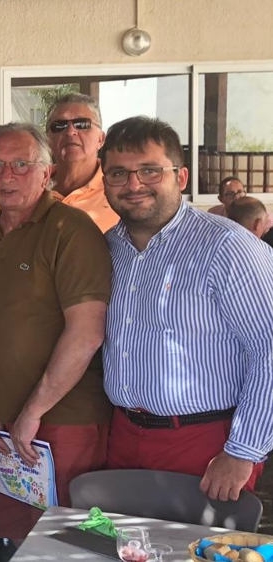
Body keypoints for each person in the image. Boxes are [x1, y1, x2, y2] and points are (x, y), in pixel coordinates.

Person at [100, 116, 273, 500]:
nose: (133, 185)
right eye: (118, 174)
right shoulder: (106, 249)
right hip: (124, 435)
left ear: (180, 177)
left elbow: (269, 348)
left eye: (149, 171)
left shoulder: (227, 248)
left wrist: (243, 450)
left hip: (208, 443)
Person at [0, 123, 112, 546]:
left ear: (46, 173)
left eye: (21, 165)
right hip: (0, 425)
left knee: (71, 544)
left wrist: (33, 411)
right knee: (13, 541)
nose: (6, 175)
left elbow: (86, 333)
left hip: (63, 421)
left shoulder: (72, 230)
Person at [45, 93, 119, 232]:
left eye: (82, 124)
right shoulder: (31, 186)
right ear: (48, 139)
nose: (70, 131)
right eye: (59, 126)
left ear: (101, 139)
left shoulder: (121, 189)